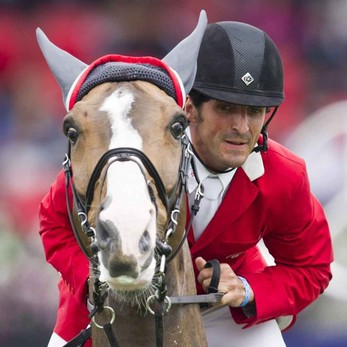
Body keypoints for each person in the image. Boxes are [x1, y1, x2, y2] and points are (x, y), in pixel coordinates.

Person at [39, 21, 333, 347]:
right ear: (190, 109)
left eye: (254, 111)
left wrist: (247, 290)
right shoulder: (134, 154)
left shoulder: (285, 175)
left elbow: (312, 269)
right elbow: (54, 222)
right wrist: (89, 281)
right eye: (225, 108)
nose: (241, 126)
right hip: (109, 305)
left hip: (218, 310)